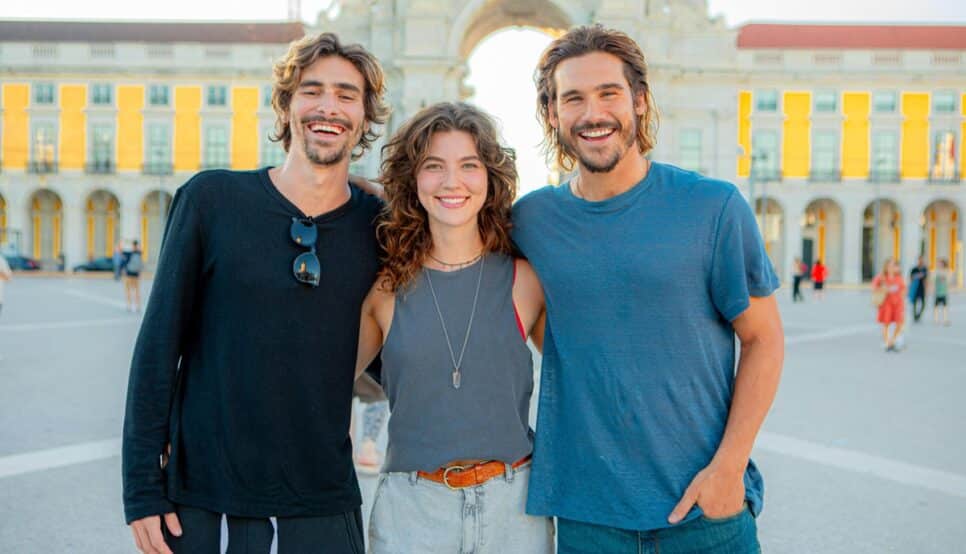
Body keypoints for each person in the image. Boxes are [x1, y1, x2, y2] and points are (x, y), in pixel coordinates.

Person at [512, 25, 784, 552]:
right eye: (573, 99)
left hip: (705, 512)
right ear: (552, 114)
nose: (593, 114)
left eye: (608, 93)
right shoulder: (531, 221)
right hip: (588, 520)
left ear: (638, 101)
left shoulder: (713, 207)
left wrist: (728, 470)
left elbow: (764, 339)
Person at [122, 32, 388, 554]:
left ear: (364, 116)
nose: (327, 107)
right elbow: (157, 350)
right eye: (312, 90)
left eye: (346, 94)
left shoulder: (379, 227)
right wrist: (141, 491)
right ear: (286, 105)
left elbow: (401, 356)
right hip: (203, 503)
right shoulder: (211, 200)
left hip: (322, 504)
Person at [355, 102, 553, 553]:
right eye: (433, 166)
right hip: (412, 511)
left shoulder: (526, 281)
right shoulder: (385, 290)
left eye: (469, 165)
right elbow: (320, 388)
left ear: (490, 178)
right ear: (413, 180)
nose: (451, 182)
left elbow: (586, 378)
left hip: (514, 509)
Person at [872, 257, 906, 352]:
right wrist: (883, 289)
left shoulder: (898, 277)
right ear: (886, 267)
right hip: (886, 304)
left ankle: (892, 341)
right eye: (890, 265)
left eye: (894, 265)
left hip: (898, 303)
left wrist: (902, 296)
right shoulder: (881, 277)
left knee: (899, 322)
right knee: (886, 324)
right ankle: (887, 343)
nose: (892, 267)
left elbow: (903, 288)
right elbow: (874, 287)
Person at [123, 240, 144, 312]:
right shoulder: (139, 253)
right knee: (137, 291)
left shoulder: (129, 253)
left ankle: (129, 305)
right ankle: (138, 306)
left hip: (129, 274)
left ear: (132, 245)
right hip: (136, 275)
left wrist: (125, 242)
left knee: (128, 290)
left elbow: (120, 250)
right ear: (137, 245)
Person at [909, 255, 929, 322]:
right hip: (915, 288)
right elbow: (911, 278)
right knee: (914, 303)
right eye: (920, 260)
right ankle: (915, 316)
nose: (921, 261)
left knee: (923, 304)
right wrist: (918, 276)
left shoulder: (925, 269)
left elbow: (926, 279)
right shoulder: (914, 269)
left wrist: (927, 289)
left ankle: (918, 315)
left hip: (922, 288)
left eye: (922, 260)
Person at [932, 258, 951, 326]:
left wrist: (944, 278)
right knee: (936, 306)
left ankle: (945, 319)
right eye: (938, 263)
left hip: (944, 291)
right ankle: (936, 320)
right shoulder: (936, 271)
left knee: (945, 306)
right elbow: (933, 278)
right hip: (937, 291)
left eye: (940, 263)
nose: (939, 264)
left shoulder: (947, 271)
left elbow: (948, 279)